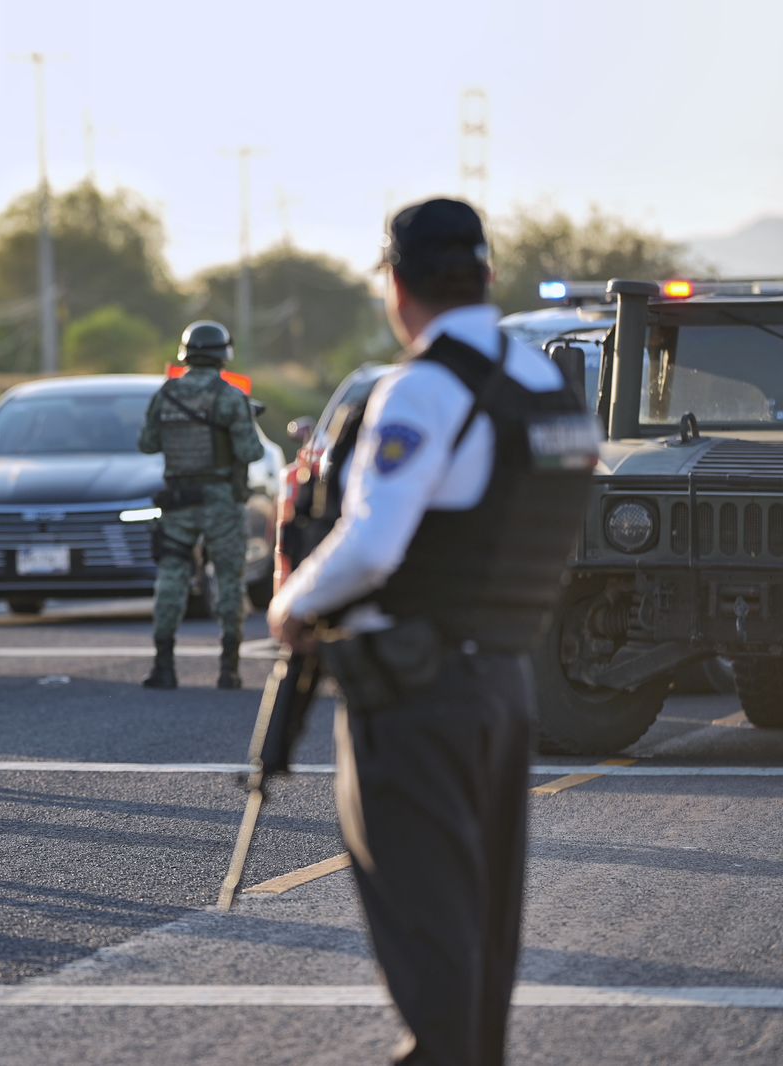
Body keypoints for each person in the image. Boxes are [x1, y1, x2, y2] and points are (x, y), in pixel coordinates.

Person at [267, 198, 598, 1064]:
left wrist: (292, 605)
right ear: (488, 277)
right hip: (502, 689)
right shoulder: (548, 383)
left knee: (429, 933)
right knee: (481, 936)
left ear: (399, 286)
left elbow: (372, 542)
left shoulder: (422, 386)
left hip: (415, 696)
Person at [138, 320, 264, 690]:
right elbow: (250, 451)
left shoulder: (167, 395)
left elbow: (147, 444)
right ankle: (229, 669)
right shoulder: (229, 397)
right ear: (224, 354)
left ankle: (163, 665)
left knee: (172, 577)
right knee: (228, 580)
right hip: (221, 501)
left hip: (178, 500)